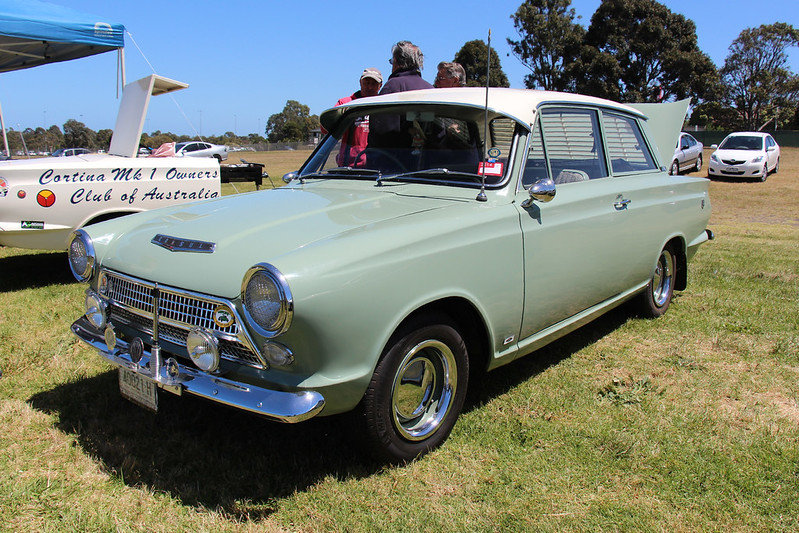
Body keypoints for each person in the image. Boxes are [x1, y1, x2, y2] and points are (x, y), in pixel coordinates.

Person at [334, 68, 383, 167]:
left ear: (380, 86)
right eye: (366, 83)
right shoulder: (345, 104)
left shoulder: (385, 106)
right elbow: (326, 129)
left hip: (376, 166)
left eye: (374, 84)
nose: (369, 87)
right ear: (360, 82)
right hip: (348, 167)